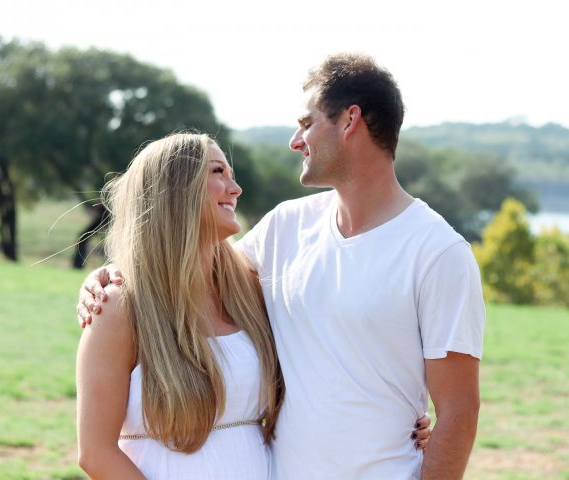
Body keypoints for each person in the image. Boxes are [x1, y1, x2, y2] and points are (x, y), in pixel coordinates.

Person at [80, 53, 477, 479]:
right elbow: (181, 266)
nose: (295, 140)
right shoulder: (285, 229)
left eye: (306, 123)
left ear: (349, 121)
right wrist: (105, 278)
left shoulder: (438, 252)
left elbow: (458, 411)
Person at [75, 133, 285, 478]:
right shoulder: (119, 307)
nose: (235, 189)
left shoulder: (250, 289)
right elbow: (95, 453)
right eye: (218, 172)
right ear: (177, 190)